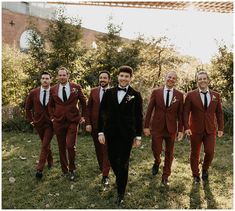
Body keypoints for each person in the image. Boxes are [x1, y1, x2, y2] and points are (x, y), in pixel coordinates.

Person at [98, 66, 143, 206]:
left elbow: (139, 117)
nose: (124, 78)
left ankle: (121, 192)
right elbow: (102, 113)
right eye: (121, 75)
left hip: (126, 134)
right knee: (112, 159)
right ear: (118, 77)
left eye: (126, 76)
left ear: (130, 78)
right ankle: (121, 179)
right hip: (110, 133)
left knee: (123, 162)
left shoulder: (135, 94)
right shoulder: (109, 93)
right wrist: (100, 132)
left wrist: (138, 136)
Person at [144, 71, 184, 186]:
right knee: (156, 150)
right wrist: (146, 126)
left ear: (176, 81)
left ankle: (165, 176)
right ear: (165, 78)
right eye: (169, 77)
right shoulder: (156, 92)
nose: (171, 79)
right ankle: (157, 161)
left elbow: (180, 115)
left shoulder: (179, 95)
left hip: (171, 128)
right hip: (157, 127)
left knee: (169, 152)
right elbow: (149, 110)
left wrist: (180, 130)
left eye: (174, 78)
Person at [183, 70, 224, 183]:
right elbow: (185, 112)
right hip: (195, 129)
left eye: (204, 78)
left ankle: (205, 169)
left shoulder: (216, 95)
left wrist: (220, 128)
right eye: (200, 79)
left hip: (210, 129)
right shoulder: (190, 95)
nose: (202, 80)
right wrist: (186, 127)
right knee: (195, 153)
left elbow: (219, 113)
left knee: (210, 152)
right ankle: (195, 175)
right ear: (197, 81)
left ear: (208, 80)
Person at [48, 66, 87, 181]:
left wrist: (83, 116)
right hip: (58, 121)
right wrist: (52, 118)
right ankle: (64, 171)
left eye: (64, 75)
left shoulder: (76, 87)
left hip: (73, 121)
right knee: (61, 147)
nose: (62, 77)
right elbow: (50, 105)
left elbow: (84, 102)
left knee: (70, 146)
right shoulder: (53, 89)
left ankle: (72, 169)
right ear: (57, 76)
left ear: (68, 76)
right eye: (60, 75)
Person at [25, 71, 54, 180]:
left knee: (45, 144)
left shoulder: (54, 92)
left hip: (50, 124)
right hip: (38, 123)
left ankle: (39, 169)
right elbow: (27, 108)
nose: (45, 80)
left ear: (50, 80)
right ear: (40, 80)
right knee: (45, 143)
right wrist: (31, 120)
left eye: (47, 78)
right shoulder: (33, 92)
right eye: (43, 78)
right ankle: (50, 161)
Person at [86, 71, 111, 187]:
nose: (102, 80)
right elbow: (88, 109)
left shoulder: (114, 92)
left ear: (109, 80)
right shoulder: (93, 91)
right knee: (98, 148)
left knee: (106, 149)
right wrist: (88, 123)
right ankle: (102, 167)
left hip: (109, 127)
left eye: (105, 78)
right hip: (95, 125)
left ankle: (105, 175)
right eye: (101, 78)